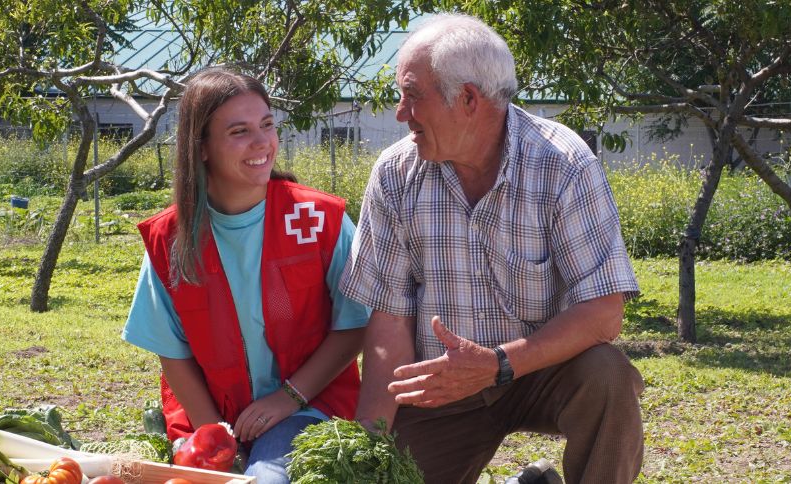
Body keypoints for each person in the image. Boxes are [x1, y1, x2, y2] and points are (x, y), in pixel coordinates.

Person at [341, 13, 645, 484]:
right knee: (389, 477)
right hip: (443, 386)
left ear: (468, 99)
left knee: (609, 376)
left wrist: (499, 364)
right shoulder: (396, 174)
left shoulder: (562, 163)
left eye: (412, 95)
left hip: (544, 369)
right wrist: (371, 441)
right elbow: (390, 318)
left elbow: (603, 312)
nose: (401, 113)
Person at [122, 67, 369, 483]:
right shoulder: (171, 239)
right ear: (201, 147)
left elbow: (356, 324)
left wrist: (289, 398)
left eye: (267, 125)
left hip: (310, 406)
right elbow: (172, 351)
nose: (261, 142)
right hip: (208, 416)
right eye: (239, 131)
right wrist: (214, 435)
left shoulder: (318, 219)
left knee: (268, 477)